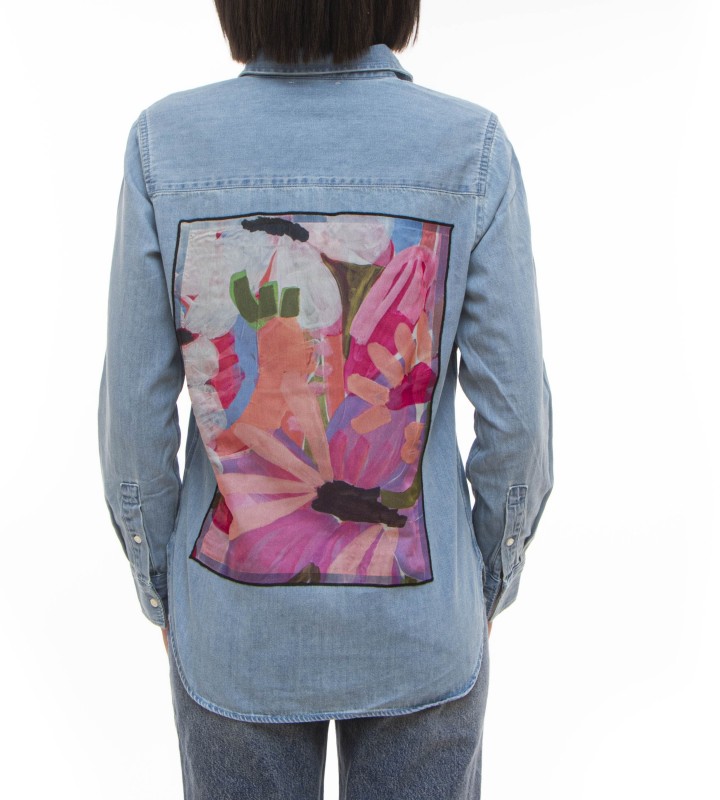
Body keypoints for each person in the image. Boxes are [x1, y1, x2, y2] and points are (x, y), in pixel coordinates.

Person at [97, 1, 554, 796]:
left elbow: (135, 425)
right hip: (421, 630)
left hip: (234, 635)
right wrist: (483, 583)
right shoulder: (469, 150)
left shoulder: (165, 147)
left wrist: (166, 590)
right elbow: (517, 426)